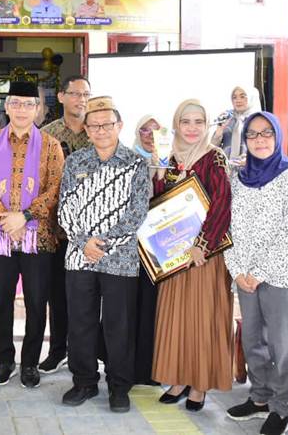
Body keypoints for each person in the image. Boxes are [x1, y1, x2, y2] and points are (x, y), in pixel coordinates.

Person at [57, 96, 150, 411]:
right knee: (80, 322)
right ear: (86, 129)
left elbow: (138, 214)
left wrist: (104, 243)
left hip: (121, 260)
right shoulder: (75, 162)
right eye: (94, 125)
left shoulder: (136, 164)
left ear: (119, 126)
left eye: (107, 124)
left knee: (118, 325)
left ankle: (119, 386)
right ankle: (84, 382)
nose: (100, 130)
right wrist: (84, 242)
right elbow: (64, 210)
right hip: (79, 257)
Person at [224, 111, 288, 435]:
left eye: (266, 134)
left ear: (277, 137)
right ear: (244, 140)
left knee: (281, 345)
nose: (260, 140)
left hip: (281, 278)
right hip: (245, 278)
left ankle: (280, 408)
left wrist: (258, 272)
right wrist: (236, 270)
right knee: (252, 340)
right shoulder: (241, 179)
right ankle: (259, 397)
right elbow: (230, 228)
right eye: (253, 134)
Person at [0, 81, 64, 388]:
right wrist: (6, 219)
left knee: (37, 303)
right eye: (16, 103)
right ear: (7, 106)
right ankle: (4, 361)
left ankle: (29, 363)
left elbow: (55, 189)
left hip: (39, 239)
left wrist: (25, 216)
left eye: (29, 104)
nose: (23, 109)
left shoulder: (51, 146)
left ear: (37, 109)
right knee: (1, 302)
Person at [152, 99, 233, 412]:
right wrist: (158, 176)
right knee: (178, 318)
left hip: (203, 256)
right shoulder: (170, 158)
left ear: (207, 125)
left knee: (201, 318)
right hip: (174, 255)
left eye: (199, 122)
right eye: (186, 122)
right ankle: (180, 379)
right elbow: (160, 205)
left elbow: (222, 204)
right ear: (176, 124)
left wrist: (202, 244)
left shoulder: (215, 159)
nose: (192, 128)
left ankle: (199, 384)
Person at [38, 75, 92, 374]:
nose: (81, 99)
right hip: (57, 230)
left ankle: (87, 352)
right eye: (75, 94)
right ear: (61, 97)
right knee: (57, 294)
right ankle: (58, 349)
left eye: (86, 94)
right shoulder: (47, 135)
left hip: (92, 232)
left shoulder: (98, 132)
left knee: (89, 295)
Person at [132, 114, 162, 386]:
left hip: (160, 247)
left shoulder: (169, 160)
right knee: (131, 306)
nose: (149, 134)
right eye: (144, 129)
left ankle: (152, 367)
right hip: (132, 246)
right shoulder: (128, 158)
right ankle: (129, 367)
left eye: (155, 130)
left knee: (153, 308)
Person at [212, 85, 262, 162]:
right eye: (234, 97)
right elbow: (212, 148)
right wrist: (219, 133)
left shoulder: (259, 121)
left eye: (242, 97)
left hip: (251, 167)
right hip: (226, 168)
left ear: (252, 98)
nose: (238, 100)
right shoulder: (227, 119)